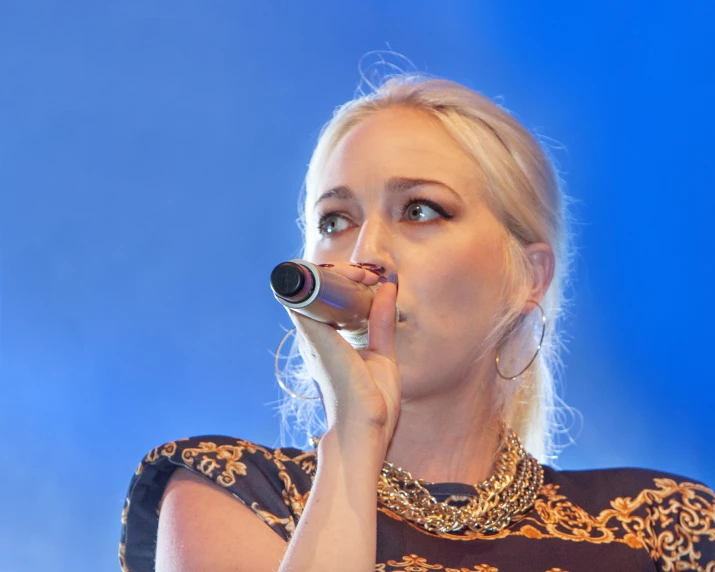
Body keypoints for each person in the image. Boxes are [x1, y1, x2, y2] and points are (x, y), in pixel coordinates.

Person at [119, 71, 715, 571]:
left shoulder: (663, 527)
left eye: (419, 210)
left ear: (529, 277)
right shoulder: (225, 493)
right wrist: (354, 439)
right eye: (335, 220)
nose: (364, 254)